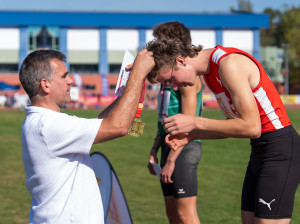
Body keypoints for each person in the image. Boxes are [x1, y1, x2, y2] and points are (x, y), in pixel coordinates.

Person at [143, 38, 300, 224]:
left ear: (180, 60)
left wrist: (195, 122)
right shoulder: (210, 72)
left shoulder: (228, 64)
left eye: (170, 80)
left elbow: (252, 127)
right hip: (260, 150)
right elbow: (234, 125)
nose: (174, 87)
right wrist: (194, 135)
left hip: (280, 149)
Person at [19, 49, 154, 223]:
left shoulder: (43, 121)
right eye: (64, 76)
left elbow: (99, 122)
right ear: (45, 85)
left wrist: (127, 90)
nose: (71, 81)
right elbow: (118, 126)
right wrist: (139, 74)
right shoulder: (49, 125)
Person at [147, 21, 203, 224]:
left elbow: (187, 123)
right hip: (166, 145)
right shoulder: (168, 77)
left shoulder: (186, 76)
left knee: (185, 214)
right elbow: (164, 118)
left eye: (160, 39)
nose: (156, 45)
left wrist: (171, 160)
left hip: (184, 148)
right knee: (172, 214)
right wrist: (155, 148)